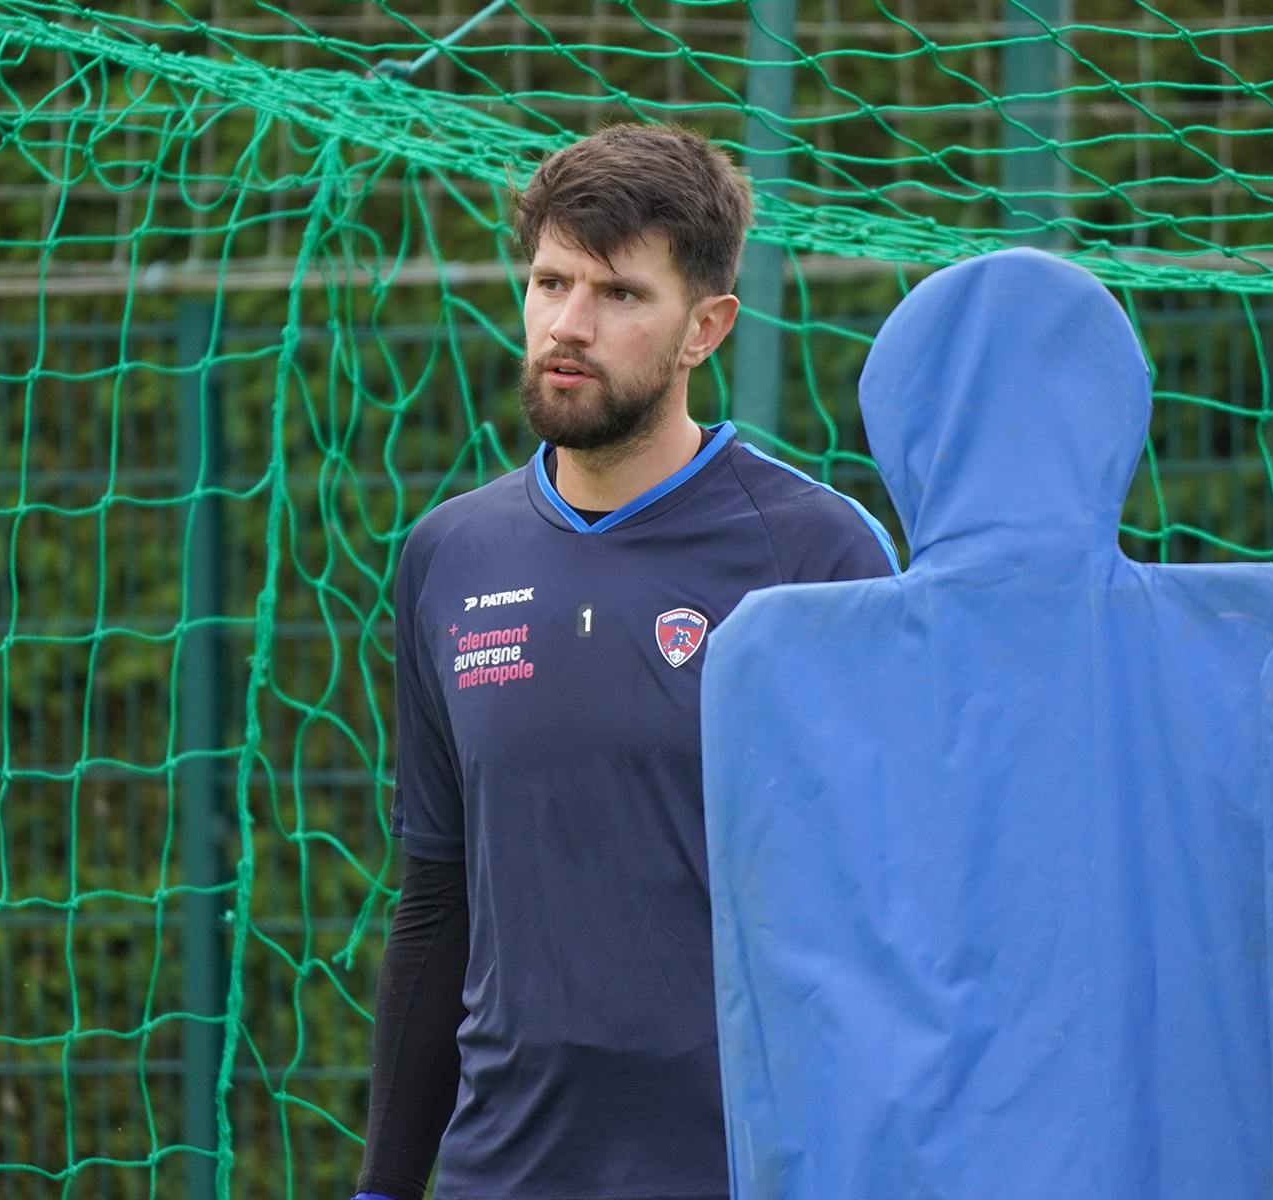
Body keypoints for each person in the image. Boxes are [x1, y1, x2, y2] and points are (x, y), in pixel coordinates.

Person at [353, 123, 899, 1200]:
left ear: (706, 327)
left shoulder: (819, 556)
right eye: (550, 282)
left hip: (744, 1167)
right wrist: (384, 1185)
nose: (567, 324)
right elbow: (437, 900)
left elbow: (895, 910)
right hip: (500, 1168)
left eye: (618, 294)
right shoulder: (447, 557)